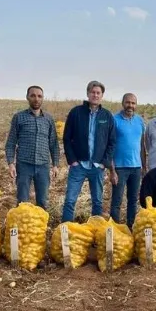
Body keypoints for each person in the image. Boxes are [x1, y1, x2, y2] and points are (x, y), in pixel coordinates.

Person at [61, 80, 116, 223]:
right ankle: (64, 232)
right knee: (70, 200)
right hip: (78, 165)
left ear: (102, 95)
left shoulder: (107, 116)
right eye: (93, 92)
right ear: (87, 93)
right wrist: (72, 161)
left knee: (97, 202)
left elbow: (112, 142)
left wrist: (104, 163)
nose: (95, 95)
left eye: (98, 93)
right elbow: (67, 138)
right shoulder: (76, 113)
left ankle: (95, 231)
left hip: (97, 167)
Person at [5, 85, 60, 209]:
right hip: (24, 165)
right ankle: (22, 226)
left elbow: (53, 143)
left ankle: (40, 227)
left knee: (42, 202)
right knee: (22, 201)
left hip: (43, 166)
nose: (36, 99)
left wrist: (55, 165)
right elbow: (11, 143)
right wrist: (11, 164)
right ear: (27, 97)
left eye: (39, 96)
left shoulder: (48, 119)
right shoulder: (19, 117)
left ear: (43, 98)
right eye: (33, 95)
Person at [109, 92, 145, 228]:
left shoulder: (140, 121)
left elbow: (142, 146)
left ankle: (130, 227)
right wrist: (112, 170)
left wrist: (144, 165)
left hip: (136, 168)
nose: (130, 105)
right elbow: (109, 146)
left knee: (133, 200)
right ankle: (114, 230)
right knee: (117, 201)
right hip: (119, 168)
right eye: (128, 102)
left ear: (136, 105)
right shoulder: (114, 120)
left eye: (133, 103)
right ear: (123, 103)